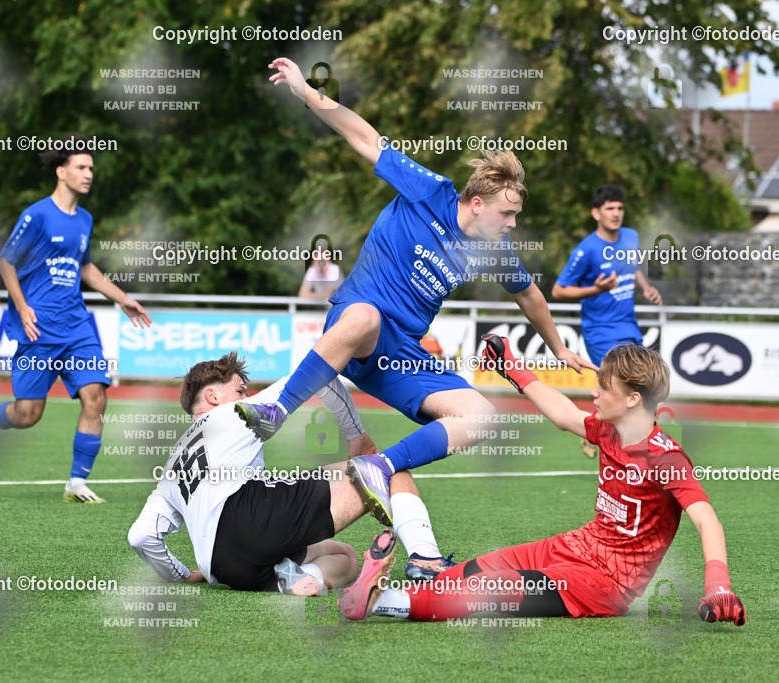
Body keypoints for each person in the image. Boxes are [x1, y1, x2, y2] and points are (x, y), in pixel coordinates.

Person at [239, 58, 596, 546]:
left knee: (483, 417)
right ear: (476, 203)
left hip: (400, 351)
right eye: (507, 214)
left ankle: (378, 467)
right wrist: (304, 90)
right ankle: (275, 412)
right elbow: (363, 135)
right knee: (364, 317)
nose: (512, 224)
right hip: (356, 324)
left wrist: (557, 348)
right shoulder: (430, 191)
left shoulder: (494, 250)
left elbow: (530, 294)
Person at [337, 336, 746, 629]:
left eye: (604, 385)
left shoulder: (665, 457)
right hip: (574, 547)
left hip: (603, 585)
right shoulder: (610, 430)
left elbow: (707, 520)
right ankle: (407, 588)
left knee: (495, 589)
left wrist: (718, 586)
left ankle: (380, 602)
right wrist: (512, 366)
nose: (595, 390)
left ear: (634, 399)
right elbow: (563, 413)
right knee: (476, 569)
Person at [127, 352, 440, 594]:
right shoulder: (231, 413)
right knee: (387, 468)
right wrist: (356, 435)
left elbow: (142, 536)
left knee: (345, 560)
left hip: (228, 568)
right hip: (254, 514)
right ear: (212, 397)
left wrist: (182, 575)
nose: (245, 397)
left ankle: (306, 581)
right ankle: (427, 561)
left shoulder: (171, 466)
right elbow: (320, 372)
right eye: (239, 390)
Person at [0, 133, 151, 504]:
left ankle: (76, 484)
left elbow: (87, 269)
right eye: (81, 167)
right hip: (39, 330)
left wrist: (122, 299)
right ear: (61, 171)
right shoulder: (36, 215)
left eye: (91, 168)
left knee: (96, 398)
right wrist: (21, 306)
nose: (88, 174)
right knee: (29, 413)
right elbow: (6, 261)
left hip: (77, 327)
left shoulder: (84, 220)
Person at [552, 184, 662, 368]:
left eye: (620, 208)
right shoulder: (586, 250)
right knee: (621, 386)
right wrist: (597, 289)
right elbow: (558, 291)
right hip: (601, 333)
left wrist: (646, 288)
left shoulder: (631, 236)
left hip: (630, 329)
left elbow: (633, 266)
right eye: (609, 208)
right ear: (596, 213)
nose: (616, 213)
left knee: (641, 388)